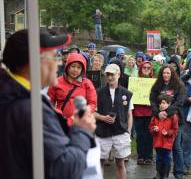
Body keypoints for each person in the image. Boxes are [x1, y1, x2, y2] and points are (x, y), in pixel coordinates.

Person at [0, 29, 96, 179]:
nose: (59, 63)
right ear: (36, 61)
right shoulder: (30, 109)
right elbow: (64, 169)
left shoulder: (11, 95)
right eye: (55, 56)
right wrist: (82, 131)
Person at [94, 64, 133, 179]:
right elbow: (92, 112)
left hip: (120, 132)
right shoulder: (98, 92)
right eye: (108, 75)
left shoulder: (127, 94)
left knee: (120, 163)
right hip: (102, 132)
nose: (110, 77)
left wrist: (128, 131)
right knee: (100, 162)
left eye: (112, 74)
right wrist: (103, 118)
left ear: (119, 75)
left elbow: (129, 114)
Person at [150, 65, 186, 179]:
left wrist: (166, 112)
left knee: (176, 147)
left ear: (172, 74)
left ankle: (179, 172)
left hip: (174, 119)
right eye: (164, 73)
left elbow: (179, 102)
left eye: (168, 73)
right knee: (160, 147)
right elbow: (152, 100)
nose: (166, 75)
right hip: (159, 119)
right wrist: (157, 113)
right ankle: (160, 173)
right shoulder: (157, 85)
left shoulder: (179, 85)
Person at [48, 53, 97, 126]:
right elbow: (49, 103)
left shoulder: (87, 83)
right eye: (73, 66)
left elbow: (92, 103)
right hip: (60, 122)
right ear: (67, 66)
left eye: (79, 67)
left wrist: (80, 114)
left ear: (82, 70)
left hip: (80, 122)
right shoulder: (56, 81)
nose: (75, 70)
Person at [149, 94, 179, 179]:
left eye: (164, 103)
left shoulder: (173, 116)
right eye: (160, 103)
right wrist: (154, 129)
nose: (161, 105)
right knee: (158, 158)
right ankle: (159, 174)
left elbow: (175, 130)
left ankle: (165, 175)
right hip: (157, 141)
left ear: (169, 104)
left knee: (167, 158)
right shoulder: (155, 116)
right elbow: (150, 128)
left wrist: (168, 133)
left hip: (167, 143)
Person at [134, 61, 155, 165]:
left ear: (151, 70)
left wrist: (151, 102)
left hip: (150, 112)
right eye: (144, 68)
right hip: (138, 112)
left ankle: (149, 156)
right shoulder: (135, 81)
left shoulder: (154, 82)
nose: (146, 69)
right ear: (141, 69)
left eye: (148, 68)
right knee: (140, 135)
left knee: (149, 135)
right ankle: (141, 156)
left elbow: (156, 96)